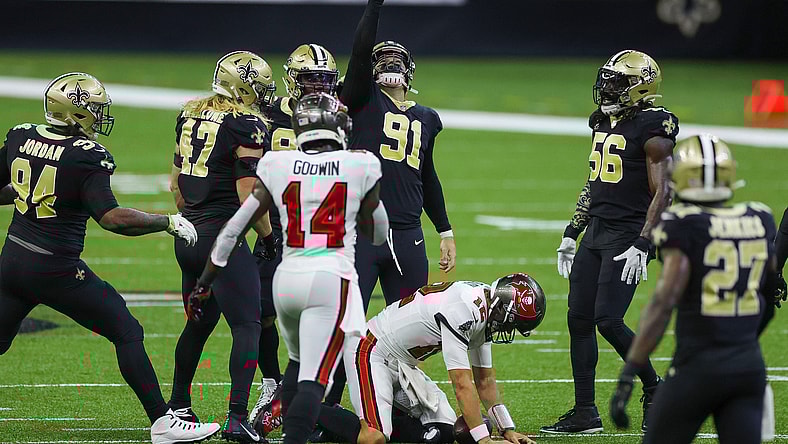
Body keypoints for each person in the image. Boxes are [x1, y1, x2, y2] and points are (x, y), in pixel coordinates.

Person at [0, 72, 219, 444]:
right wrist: (165, 222)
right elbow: (112, 219)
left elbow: (8, 189)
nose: (100, 116)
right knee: (126, 329)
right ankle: (163, 423)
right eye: (94, 109)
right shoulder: (89, 157)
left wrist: (28, 193)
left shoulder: (21, 135)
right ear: (76, 113)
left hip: (13, 261)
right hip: (56, 269)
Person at [185, 92, 389, 444]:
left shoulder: (278, 164)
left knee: (296, 367)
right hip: (330, 277)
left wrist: (204, 283)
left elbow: (235, 228)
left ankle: (273, 421)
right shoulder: (360, 164)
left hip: (286, 280)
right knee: (315, 379)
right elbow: (380, 231)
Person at [609, 134, 780, 443]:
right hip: (747, 366)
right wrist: (743, 340)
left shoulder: (683, 223)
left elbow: (663, 303)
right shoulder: (759, 218)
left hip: (697, 368)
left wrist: (629, 371)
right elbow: (769, 294)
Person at [327, 0, 456, 408]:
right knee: (344, 327)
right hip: (360, 232)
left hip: (407, 235)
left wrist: (446, 229)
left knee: (411, 332)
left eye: (395, 59)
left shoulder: (427, 117)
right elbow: (361, 47)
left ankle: (401, 407)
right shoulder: (362, 99)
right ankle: (323, 409)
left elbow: (428, 177)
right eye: (381, 58)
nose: (389, 63)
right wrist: (374, 7)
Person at [542, 49, 679, 434]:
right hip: (598, 230)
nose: (606, 87)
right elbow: (596, 181)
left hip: (627, 233)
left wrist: (645, 242)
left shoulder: (653, 126)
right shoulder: (605, 121)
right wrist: (573, 229)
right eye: (606, 79)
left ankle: (655, 390)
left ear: (640, 87)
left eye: (617, 81)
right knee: (578, 319)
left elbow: (665, 191)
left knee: (608, 320)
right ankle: (585, 411)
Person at [167, 50, 277, 442]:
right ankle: (237, 418)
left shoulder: (190, 113)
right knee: (247, 326)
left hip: (188, 233)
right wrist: (268, 236)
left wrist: (194, 217)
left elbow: (176, 185)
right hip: (220, 238)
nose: (262, 95)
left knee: (198, 324)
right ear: (243, 86)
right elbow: (249, 196)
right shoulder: (247, 124)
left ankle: (178, 404)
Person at [320, 274, 545, 444]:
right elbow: (461, 384)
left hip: (403, 363)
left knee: (443, 431)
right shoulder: (465, 310)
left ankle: (378, 422)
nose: (509, 329)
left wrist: (507, 429)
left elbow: (485, 382)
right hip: (372, 350)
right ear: (500, 309)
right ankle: (304, 408)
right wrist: (483, 440)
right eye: (511, 323)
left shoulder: (486, 309)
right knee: (374, 437)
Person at [248, 43, 341, 431]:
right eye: (309, 78)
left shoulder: (338, 117)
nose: (317, 85)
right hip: (273, 227)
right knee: (262, 314)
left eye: (324, 79)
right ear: (291, 80)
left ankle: (308, 400)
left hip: (315, 229)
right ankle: (272, 384)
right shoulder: (266, 114)